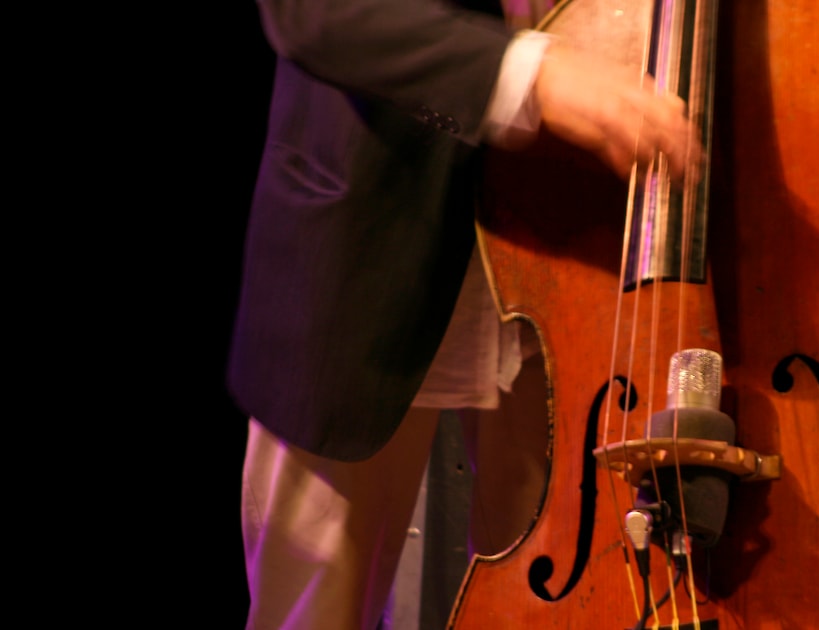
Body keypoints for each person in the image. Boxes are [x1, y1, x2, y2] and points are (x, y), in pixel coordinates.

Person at [227, 0, 699, 628]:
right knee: (314, 610)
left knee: (564, 605)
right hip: (364, 244)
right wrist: (533, 74)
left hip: (585, 266)